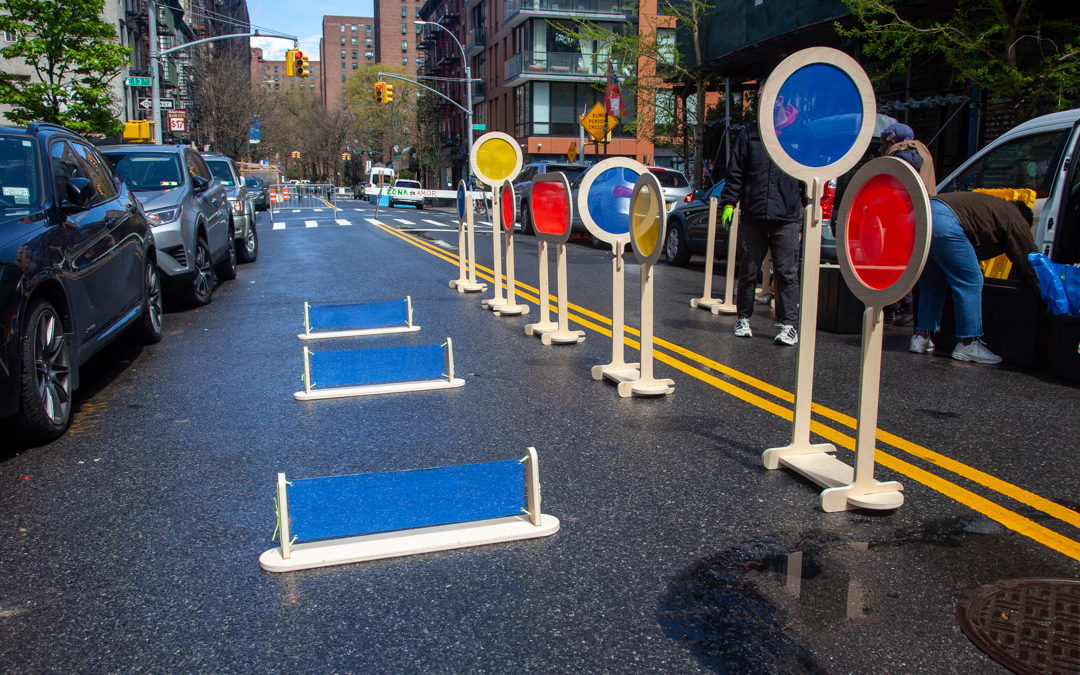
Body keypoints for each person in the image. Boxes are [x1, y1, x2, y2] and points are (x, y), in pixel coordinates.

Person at [909, 191, 1039, 364]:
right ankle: (969, 343)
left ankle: (920, 338)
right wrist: (1039, 286)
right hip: (945, 221)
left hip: (921, 217)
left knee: (933, 284)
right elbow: (1026, 255)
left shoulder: (992, 207)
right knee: (970, 281)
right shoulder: (1015, 216)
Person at [719, 112, 805, 345]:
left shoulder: (797, 134)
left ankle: (789, 325)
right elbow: (735, 172)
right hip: (754, 214)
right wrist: (729, 202)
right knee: (748, 270)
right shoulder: (751, 134)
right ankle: (743, 318)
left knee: (787, 273)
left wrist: (811, 207)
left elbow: (807, 176)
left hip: (786, 216)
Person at [880, 122, 937, 326]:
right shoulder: (923, 152)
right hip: (921, 212)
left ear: (892, 139)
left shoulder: (898, 156)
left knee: (894, 261)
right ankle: (904, 306)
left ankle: (900, 306)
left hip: (899, 214)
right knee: (909, 260)